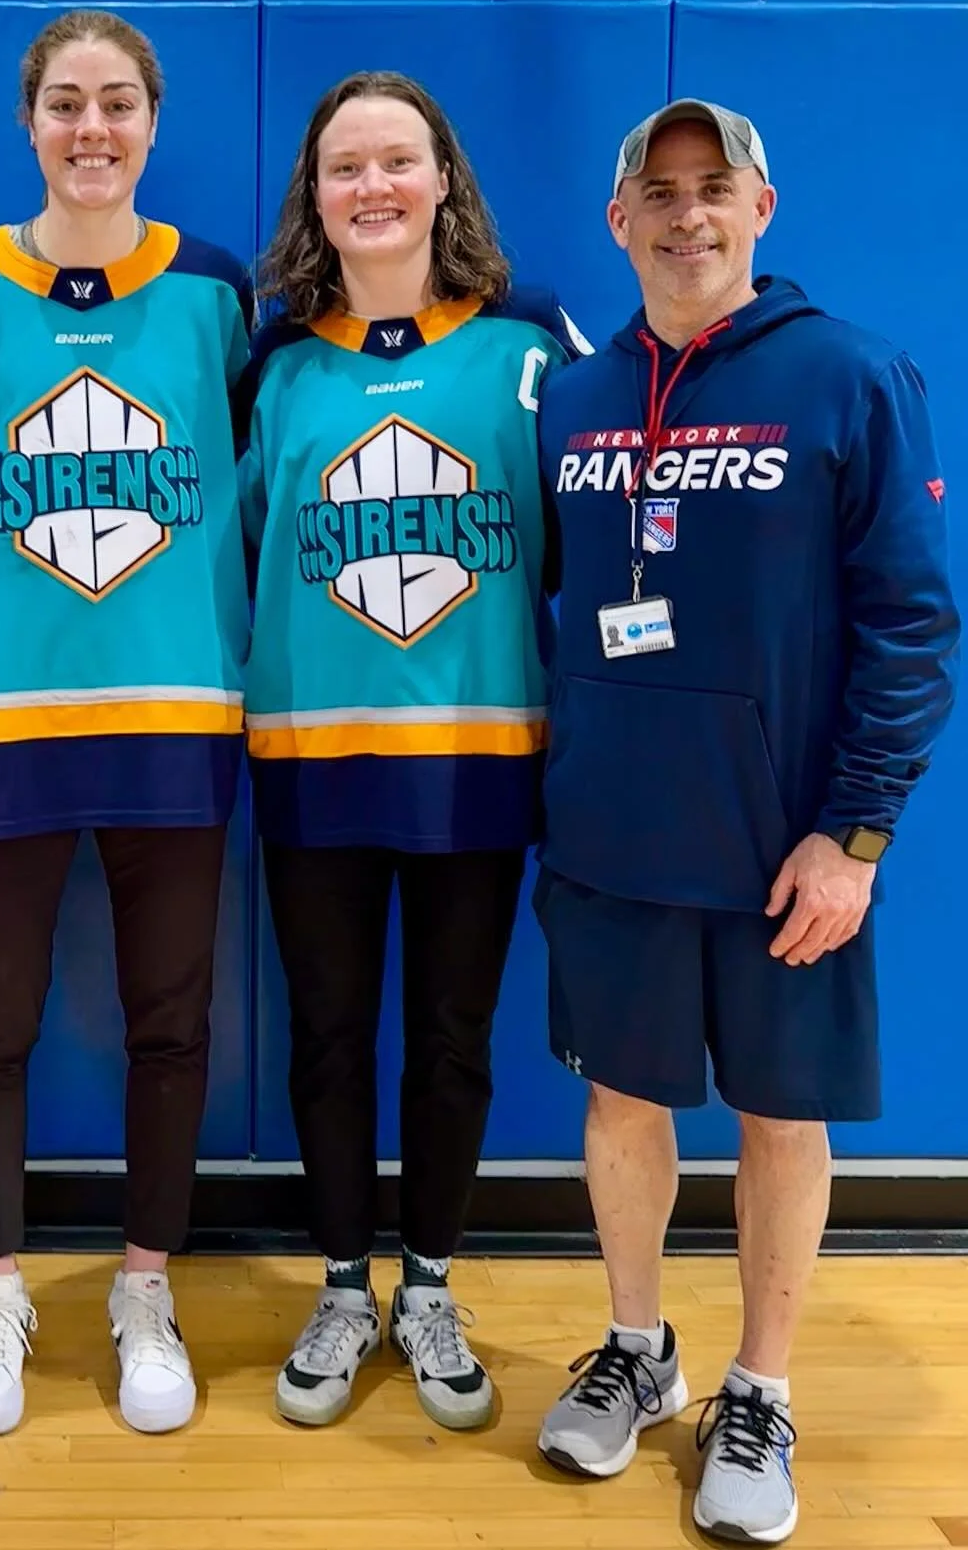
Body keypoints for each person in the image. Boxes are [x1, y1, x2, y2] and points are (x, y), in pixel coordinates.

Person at [532, 99, 958, 1542]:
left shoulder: (850, 375)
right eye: (659, 191)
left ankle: (759, 1387)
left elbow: (913, 624)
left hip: (786, 846)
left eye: (716, 189)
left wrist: (858, 836)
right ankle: (640, 1349)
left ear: (762, 208)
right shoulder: (575, 398)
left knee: (781, 1120)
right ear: (619, 220)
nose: (687, 214)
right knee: (622, 1104)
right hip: (611, 837)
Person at [0, 8, 253, 1438]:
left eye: (119, 103)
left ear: (155, 123)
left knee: (171, 1021)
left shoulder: (219, 295)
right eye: (66, 104)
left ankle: (144, 1286)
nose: (92, 128)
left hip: (176, 719)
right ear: (28, 122)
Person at [239, 70, 588, 1431]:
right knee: (327, 1036)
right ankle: (341, 1282)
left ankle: (430, 1281)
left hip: (480, 755)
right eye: (345, 167)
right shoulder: (273, 361)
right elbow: (245, 549)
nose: (373, 187)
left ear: (445, 178)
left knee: (450, 1036)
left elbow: (577, 544)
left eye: (399, 161)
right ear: (313, 198)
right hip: (315, 758)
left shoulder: (527, 343)